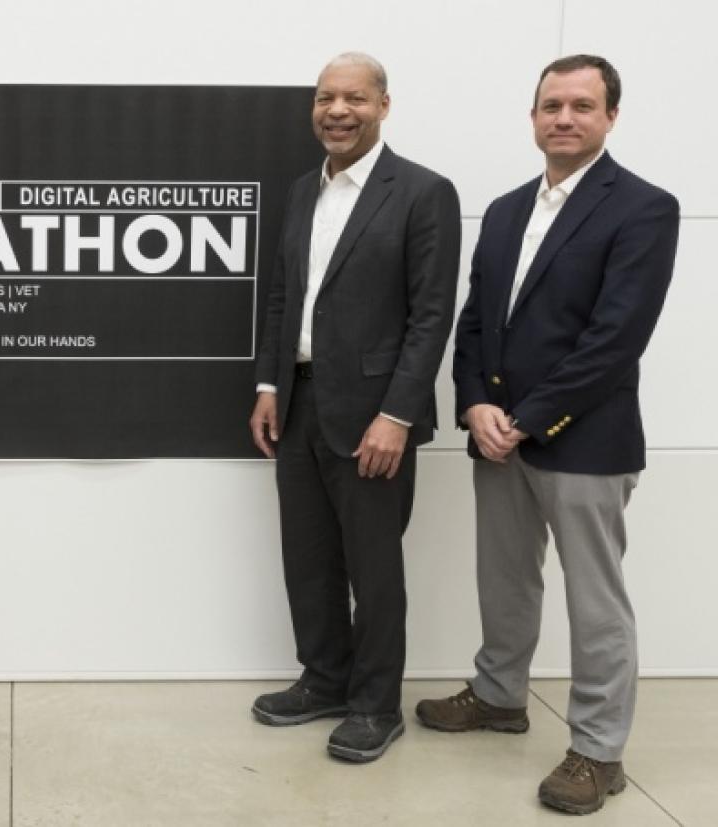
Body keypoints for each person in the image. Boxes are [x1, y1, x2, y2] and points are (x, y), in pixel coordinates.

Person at [415, 55, 679, 816]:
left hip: (583, 440)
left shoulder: (643, 208)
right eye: (551, 105)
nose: (564, 118)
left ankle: (598, 750)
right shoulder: (502, 211)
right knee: (504, 581)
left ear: (610, 117)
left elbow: (615, 337)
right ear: (533, 116)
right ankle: (500, 695)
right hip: (495, 435)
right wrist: (473, 407)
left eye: (582, 105)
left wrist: (527, 418)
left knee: (596, 602)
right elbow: (473, 326)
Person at [248, 52, 461, 762]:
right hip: (301, 402)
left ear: (384, 106)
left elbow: (431, 316)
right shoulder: (303, 191)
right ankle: (325, 679)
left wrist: (397, 415)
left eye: (354, 99)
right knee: (307, 557)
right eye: (325, 98)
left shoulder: (424, 192)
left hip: (375, 416)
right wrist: (269, 385)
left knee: (373, 570)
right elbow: (284, 295)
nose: (337, 111)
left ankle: (375, 704)